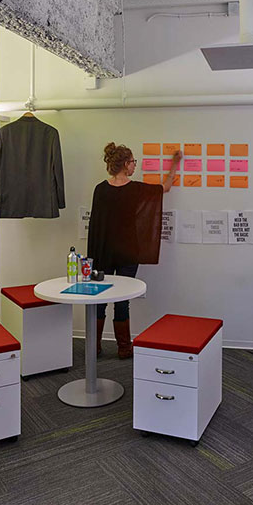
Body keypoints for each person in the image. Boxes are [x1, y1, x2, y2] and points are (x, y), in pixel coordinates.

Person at [86, 143, 181, 358]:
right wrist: (175, 164)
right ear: (126, 164)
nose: (134, 166)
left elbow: (95, 226)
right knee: (122, 300)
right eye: (133, 162)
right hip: (128, 252)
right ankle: (124, 348)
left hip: (103, 252)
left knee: (98, 300)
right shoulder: (136, 189)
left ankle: (94, 346)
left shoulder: (100, 189)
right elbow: (164, 187)